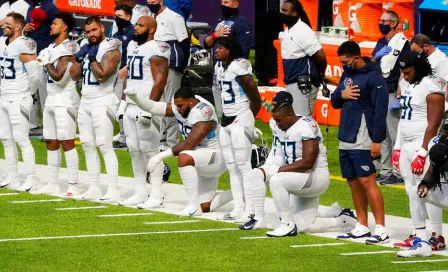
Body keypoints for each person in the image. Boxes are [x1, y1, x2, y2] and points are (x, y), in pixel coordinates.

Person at [241, 91, 357, 236]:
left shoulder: (306, 126)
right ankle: (258, 218)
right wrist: (266, 171)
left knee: (277, 182)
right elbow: (279, 157)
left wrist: (278, 170)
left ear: (289, 115)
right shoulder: (280, 126)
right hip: (296, 177)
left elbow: (308, 162)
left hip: (315, 176)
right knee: (256, 174)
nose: (276, 124)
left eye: (279, 120)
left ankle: (289, 224)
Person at [125, 86, 233, 215]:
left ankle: (193, 207)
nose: (178, 109)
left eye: (180, 106)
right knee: (205, 206)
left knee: (184, 157)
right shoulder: (183, 106)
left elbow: (190, 143)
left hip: (216, 157)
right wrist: (135, 98)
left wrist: (159, 157)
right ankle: (238, 192)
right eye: (176, 105)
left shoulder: (204, 112)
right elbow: (154, 107)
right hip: (202, 158)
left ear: (191, 101)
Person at [331, 41, 390, 244]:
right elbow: (334, 100)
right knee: (353, 181)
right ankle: (362, 225)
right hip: (345, 135)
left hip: (364, 136)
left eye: (346, 62)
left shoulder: (374, 77)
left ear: (356, 57)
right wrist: (342, 94)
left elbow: (381, 110)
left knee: (367, 181)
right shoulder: (347, 75)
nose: (343, 66)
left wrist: (377, 140)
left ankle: (381, 228)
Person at [391, 51, 445, 252]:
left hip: (422, 143)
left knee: (426, 190)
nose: (404, 76)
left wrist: (423, 152)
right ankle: (419, 235)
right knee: (411, 191)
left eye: (408, 72)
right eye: (402, 72)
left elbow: (434, 123)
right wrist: (397, 147)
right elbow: (403, 120)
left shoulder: (431, 87)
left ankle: (435, 235)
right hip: (405, 143)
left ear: (419, 68)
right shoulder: (407, 84)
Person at [116, 16, 169, 207]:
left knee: (150, 151)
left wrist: (150, 109)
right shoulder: (132, 46)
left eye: (140, 25)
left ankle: (156, 195)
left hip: (147, 106)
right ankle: (140, 192)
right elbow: (128, 77)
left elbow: (160, 81)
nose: (135, 28)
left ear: (151, 30)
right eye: (136, 25)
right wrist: (123, 102)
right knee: (134, 151)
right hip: (131, 105)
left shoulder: (158, 48)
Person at [69, 16, 122, 203]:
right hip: (86, 100)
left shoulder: (111, 47)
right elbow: (74, 76)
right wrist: (78, 57)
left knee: (104, 146)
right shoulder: (85, 45)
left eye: (94, 30)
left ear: (102, 28)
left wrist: (91, 57)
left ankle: (113, 189)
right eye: (88, 31)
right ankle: (94, 188)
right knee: (87, 144)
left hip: (103, 100)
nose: (91, 34)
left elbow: (102, 75)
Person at [32, 12, 80, 197]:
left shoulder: (69, 47)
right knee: (51, 141)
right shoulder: (50, 48)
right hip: (51, 99)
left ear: (65, 27)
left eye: (54, 23)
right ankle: (52, 183)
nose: (51, 26)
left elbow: (59, 78)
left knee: (67, 142)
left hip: (65, 100)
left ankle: (73, 185)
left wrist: (45, 64)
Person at [214, 37, 261, 223]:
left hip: (241, 116)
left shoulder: (239, 65)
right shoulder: (220, 67)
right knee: (232, 167)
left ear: (230, 50)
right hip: (226, 118)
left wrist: (250, 115)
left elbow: (253, 91)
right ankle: (239, 207)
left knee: (243, 165)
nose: (216, 50)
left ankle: (251, 209)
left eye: (221, 47)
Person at [0, 12, 39, 191]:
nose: (3, 25)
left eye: (8, 23)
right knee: (6, 138)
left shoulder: (24, 44)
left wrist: (27, 93)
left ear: (18, 27)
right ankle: (12, 177)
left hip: (19, 97)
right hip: (3, 96)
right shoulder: (1, 42)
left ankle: (31, 178)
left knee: (21, 138)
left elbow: (34, 75)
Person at [371, 10, 410, 185]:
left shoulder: (403, 44)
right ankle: (386, 170)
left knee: (394, 134)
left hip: (393, 91)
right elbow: (371, 63)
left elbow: (405, 70)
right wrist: (375, 57)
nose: (381, 23)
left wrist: (399, 95)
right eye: (380, 20)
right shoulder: (381, 42)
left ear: (393, 23)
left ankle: (399, 171)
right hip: (379, 91)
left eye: (384, 21)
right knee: (383, 133)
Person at [146, 0, 190, 151]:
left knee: (172, 101)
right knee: (158, 100)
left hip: (171, 62)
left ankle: (172, 141)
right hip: (153, 62)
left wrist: (183, 65)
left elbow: (185, 43)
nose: (150, 2)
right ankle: (160, 138)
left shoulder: (174, 17)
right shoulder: (149, 17)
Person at [397, 134, 447, 257]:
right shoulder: (441, 146)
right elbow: (431, 170)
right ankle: (422, 242)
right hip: (445, 193)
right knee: (415, 192)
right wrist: (424, 185)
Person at [202, 0, 252, 118]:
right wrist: (216, 34)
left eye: (226, 2)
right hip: (218, 68)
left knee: (235, 110)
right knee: (220, 111)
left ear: (235, 4)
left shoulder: (241, 23)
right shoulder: (220, 21)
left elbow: (244, 53)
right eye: (222, 2)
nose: (223, 5)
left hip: (232, 69)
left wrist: (233, 67)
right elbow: (205, 43)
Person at [278, 0, 327, 117]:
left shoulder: (303, 31)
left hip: (303, 84)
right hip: (291, 81)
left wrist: (320, 74)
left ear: (294, 13)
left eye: (285, 11)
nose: (282, 13)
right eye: (282, 10)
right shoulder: (288, 30)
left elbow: (320, 56)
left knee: (302, 121)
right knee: (294, 122)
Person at [112, 5, 135, 149]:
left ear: (128, 16)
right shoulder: (116, 35)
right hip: (116, 74)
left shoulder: (133, 33)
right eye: (115, 16)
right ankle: (123, 135)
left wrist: (126, 68)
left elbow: (135, 53)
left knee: (125, 106)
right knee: (118, 105)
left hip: (128, 74)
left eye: (119, 16)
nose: (116, 19)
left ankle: (126, 137)